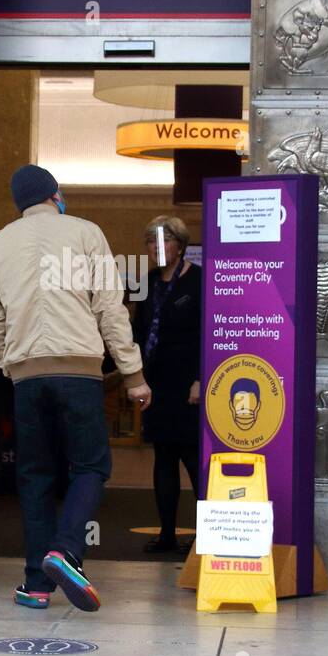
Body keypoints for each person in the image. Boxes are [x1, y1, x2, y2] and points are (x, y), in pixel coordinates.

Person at [0, 165, 151, 612]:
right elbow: (111, 309)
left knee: (34, 476)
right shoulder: (87, 233)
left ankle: (36, 584)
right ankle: (67, 550)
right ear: (56, 194)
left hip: (28, 376)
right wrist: (133, 374)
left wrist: (9, 363)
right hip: (80, 373)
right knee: (90, 466)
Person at [132, 216, 202, 553]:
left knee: (193, 459)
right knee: (163, 458)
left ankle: (207, 535)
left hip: (189, 383)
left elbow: (209, 335)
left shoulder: (199, 281)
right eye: (150, 242)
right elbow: (136, 332)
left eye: (164, 241)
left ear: (180, 244)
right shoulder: (145, 282)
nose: (156, 249)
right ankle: (168, 534)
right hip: (155, 383)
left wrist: (201, 379)